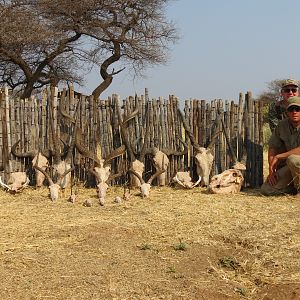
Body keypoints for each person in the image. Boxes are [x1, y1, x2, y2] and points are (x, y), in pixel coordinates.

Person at [261, 96, 300, 196]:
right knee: (266, 189)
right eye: (291, 109)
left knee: (293, 159)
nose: (294, 112)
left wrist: (279, 156)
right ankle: (293, 188)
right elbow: (273, 147)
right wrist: (271, 169)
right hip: (292, 166)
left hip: (294, 162)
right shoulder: (282, 125)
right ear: (286, 112)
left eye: (298, 109)